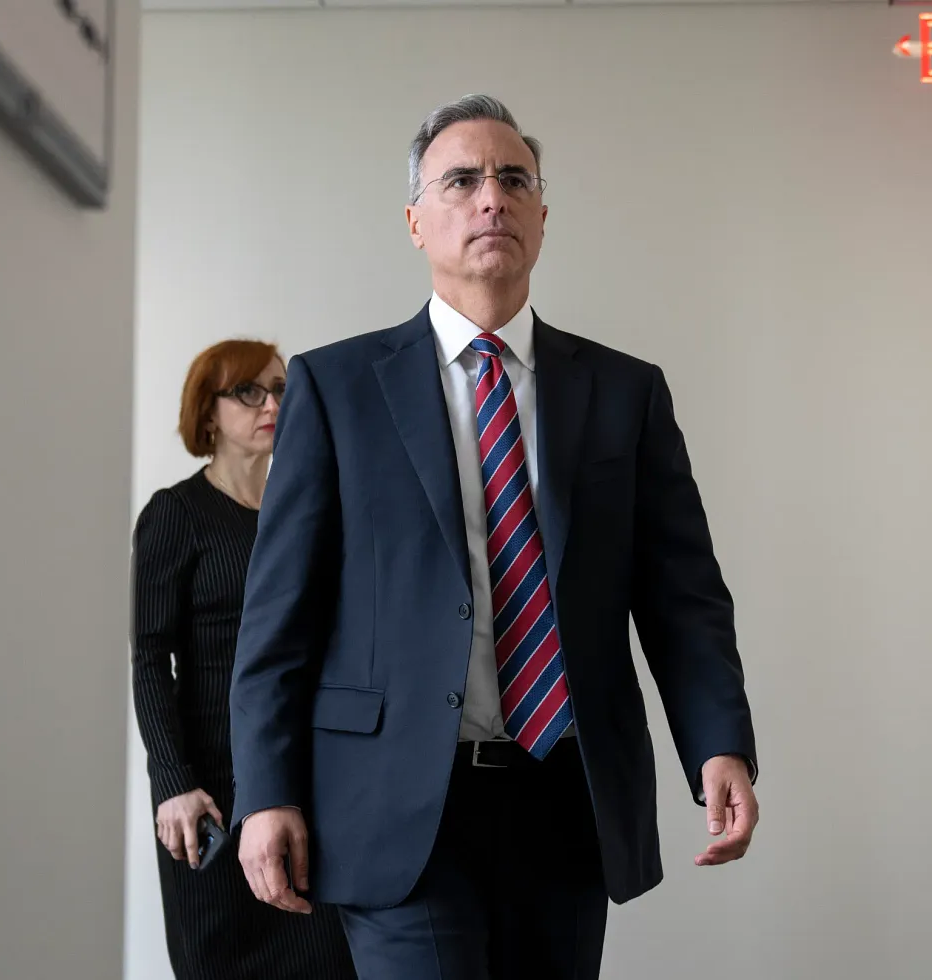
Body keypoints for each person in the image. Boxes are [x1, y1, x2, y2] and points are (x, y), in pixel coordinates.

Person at [230, 95, 759, 979]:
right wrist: (267, 791)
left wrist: (718, 742)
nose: (492, 198)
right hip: (396, 805)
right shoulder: (337, 387)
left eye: (515, 180)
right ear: (415, 221)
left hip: (568, 798)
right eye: (463, 180)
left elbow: (684, 597)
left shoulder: (625, 393)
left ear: (542, 216)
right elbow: (279, 618)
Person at [131, 339, 358, 979]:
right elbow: (149, 661)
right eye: (249, 392)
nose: (272, 405)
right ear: (209, 413)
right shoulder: (175, 514)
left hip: (305, 776)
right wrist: (173, 784)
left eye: (282, 389)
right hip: (209, 792)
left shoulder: (309, 510)